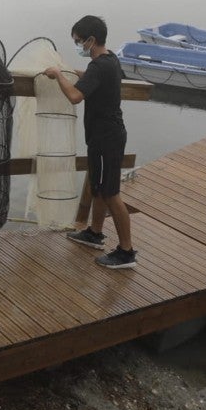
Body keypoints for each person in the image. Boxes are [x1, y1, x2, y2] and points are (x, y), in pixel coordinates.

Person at [44, 15, 136, 269]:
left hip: (108, 138)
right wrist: (73, 72)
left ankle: (126, 252)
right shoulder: (109, 61)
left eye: (78, 41)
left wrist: (57, 75)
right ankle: (94, 233)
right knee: (97, 187)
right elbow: (94, 78)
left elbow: (75, 96)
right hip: (102, 136)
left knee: (111, 193)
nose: (77, 45)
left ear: (91, 40)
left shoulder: (100, 66)